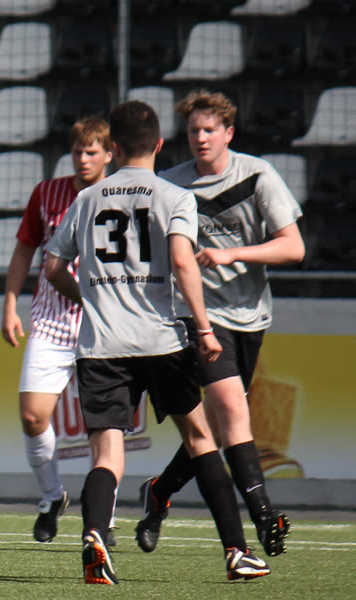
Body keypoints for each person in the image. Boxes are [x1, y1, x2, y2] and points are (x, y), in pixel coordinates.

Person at [44, 100, 270, 584]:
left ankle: (95, 534)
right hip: (162, 340)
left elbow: (53, 267)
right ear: (160, 144)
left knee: (107, 455)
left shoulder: (87, 199)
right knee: (201, 439)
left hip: (102, 345)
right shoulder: (174, 196)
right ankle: (237, 552)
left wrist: (87, 298)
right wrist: (204, 329)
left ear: (114, 147)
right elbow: (184, 262)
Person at [137, 89, 303, 557]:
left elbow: (293, 247)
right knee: (231, 408)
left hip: (249, 315)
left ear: (228, 133)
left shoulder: (257, 175)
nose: (201, 137)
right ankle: (264, 515)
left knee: (212, 427)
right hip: (197, 316)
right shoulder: (170, 184)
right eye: (193, 130)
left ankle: (159, 491)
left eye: (209, 129)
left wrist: (232, 254)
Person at [0, 117, 113, 543]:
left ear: (109, 154)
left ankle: (103, 518)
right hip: (50, 321)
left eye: (91, 151)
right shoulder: (46, 193)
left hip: (102, 326)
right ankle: (52, 497)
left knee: (103, 426)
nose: (83, 159)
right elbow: (24, 250)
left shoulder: (119, 195)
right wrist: (10, 304)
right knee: (33, 416)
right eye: (77, 151)